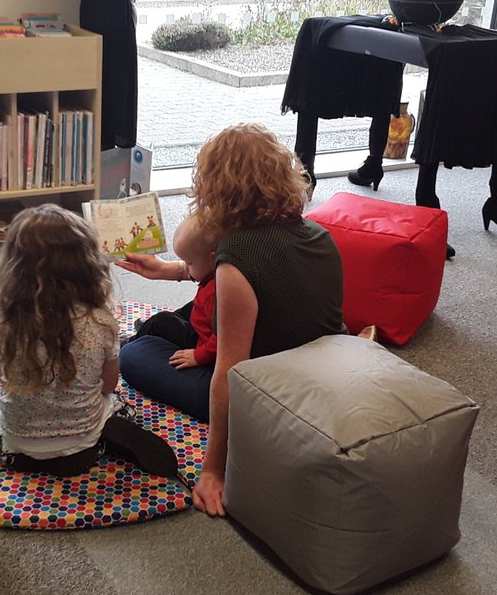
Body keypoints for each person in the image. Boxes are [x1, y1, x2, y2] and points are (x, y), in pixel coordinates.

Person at [119, 123, 346, 516]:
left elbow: (229, 373)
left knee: (134, 355)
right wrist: (170, 271)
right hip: (318, 373)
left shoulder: (236, 257)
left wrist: (213, 471)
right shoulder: (317, 233)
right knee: (192, 313)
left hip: (267, 395)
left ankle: (151, 343)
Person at [0, 203, 124, 475]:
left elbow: (3, 380)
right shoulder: (101, 319)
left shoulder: (2, 320)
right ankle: (111, 433)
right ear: (87, 263)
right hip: (83, 440)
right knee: (114, 402)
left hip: (17, 442)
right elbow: (109, 384)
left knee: (3, 401)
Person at [128, 210, 218, 376]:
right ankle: (150, 329)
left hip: (201, 345)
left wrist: (198, 356)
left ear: (213, 258)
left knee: (162, 321)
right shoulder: (215, 274)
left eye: (189, 263)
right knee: (188, 308)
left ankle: (129, 343)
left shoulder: (216, 294)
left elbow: (220, 341)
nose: (186, 267)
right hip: (200, 326)